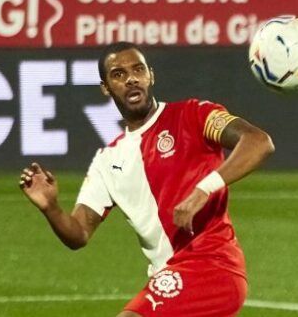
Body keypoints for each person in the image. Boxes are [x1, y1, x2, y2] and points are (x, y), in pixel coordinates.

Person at [19, 41, 275, 317]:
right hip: (167, 275)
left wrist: (204, 188)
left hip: (212, 267)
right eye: (118, 74)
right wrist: (51, 208)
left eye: (138, 70)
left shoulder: (193, 116)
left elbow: (258, 142)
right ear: (105, 87)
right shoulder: (107, 161)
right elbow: (78, 234)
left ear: (150, 75)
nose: (131, 79)